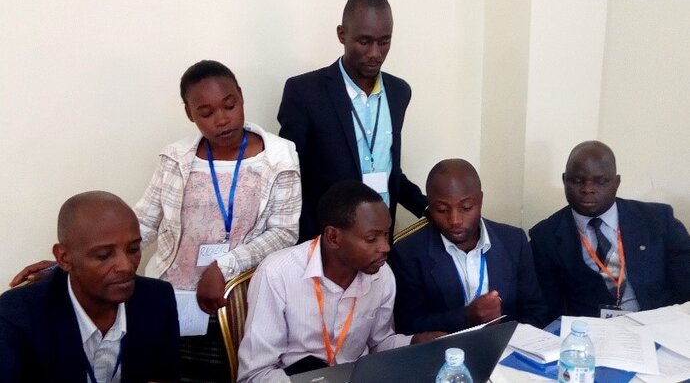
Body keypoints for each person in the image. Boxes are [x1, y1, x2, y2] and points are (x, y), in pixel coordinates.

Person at [9, 60, 302, 382]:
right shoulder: (175, 158)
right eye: (205, 113)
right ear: (190, 114)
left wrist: (224, 266)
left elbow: (284, 232)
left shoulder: (279, 156)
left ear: (241, 98)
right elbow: (140, 225)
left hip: (233, 296)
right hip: (175, 297)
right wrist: (66, 266)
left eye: (229, 105)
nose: (222, 119)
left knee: (226, 373)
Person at [237, 181, 444, 383]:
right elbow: (256, 375)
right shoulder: (277, 274)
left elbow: (379, 344)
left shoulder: (382, 275)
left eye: (386, 235)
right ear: (333, 237)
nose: (385, 247)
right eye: (372, 239)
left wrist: (415, 342)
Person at [277, 0, 427, 242]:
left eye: (384, 42)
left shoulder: (400, 92)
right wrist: (311, 244)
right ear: (342, 34)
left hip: (379, 242)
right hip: (327, 244)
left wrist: (428, 209)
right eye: (364, 41)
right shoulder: (304, 92)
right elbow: (291, 178)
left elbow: (388, 170)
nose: (375, 53)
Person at [0, 191, 180, 382]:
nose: (126, 266)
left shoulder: (158, 299)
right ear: (64, 258)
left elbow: (164, 377)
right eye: (104, 255)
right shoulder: (18, 313)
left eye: (133, 249)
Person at [529, 140, 690, 321]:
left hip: (657, 327)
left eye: (600, 182)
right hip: (592, 335)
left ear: (617, 182)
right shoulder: (545, 237)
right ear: (564, 180)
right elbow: (548, 308)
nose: (588, 189)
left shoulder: (658, 220)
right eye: (577, 181)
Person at [390, 159, 547, 334]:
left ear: (480, 200)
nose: (454, 220)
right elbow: (408, 326)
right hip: (444, 355)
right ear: (430, 206)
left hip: (506, 351)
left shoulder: (513, 241)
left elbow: (535, 312)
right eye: (442, 210)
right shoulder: (408, 252)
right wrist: (465, 317)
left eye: (466, 208)